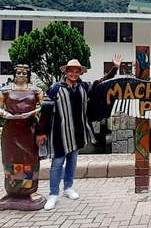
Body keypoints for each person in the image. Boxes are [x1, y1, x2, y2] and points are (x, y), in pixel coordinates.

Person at [36, 54, 123, 211]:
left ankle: (68, 187)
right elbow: (45, 111)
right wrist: (41, 132)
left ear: (80, 73)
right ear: (66, 72)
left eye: (77, 71)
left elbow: (101, 84)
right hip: (59, 134)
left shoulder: (83, 88)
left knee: (72, 160)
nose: (74, 74)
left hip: (77, 132)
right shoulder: (55, 89)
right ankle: (53, 194)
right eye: (71, 71)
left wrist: (114, 69)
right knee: (57, 164)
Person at [0, 64, 45, 207]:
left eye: (24, 73)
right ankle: (11, 190)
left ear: (28, 75)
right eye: (18, 72)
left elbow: (45, 106)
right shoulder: (4, 90)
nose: (21, 75)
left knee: (30, 160)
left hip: (29, 129)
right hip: (11, 131)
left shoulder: (36, 90)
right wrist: (5, 114)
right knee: (10, 160)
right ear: (14, 74)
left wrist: (31, 113)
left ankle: (31, 190)